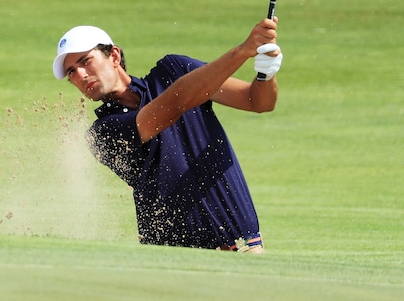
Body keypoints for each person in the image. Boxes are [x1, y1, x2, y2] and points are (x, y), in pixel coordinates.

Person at [52, 18, 282, 252]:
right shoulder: (102, 134)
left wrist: (266, 73)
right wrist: (242, 51)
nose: (80, 75)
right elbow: (175, 104)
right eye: (71, 72)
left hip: (246, 248)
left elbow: (258, 101)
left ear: (114, 56)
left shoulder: (174, 70)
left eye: (86, 61)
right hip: (175, 260)